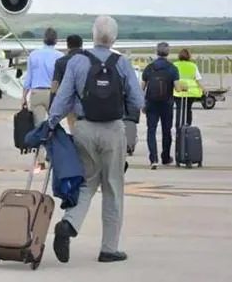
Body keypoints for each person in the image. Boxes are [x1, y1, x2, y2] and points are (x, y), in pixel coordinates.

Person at [45, 15, 143, 264]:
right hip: (112, 130)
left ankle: (68, 224)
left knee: (86, 183)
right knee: (113, 188)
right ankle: (109, 248)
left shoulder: (77, 62)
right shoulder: (121, 63)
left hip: (84, 128)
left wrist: (51, 123)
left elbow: (63, 98)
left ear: (93, 35)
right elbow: (137, 101)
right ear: (114, 38)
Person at [22, 27, 64, 170]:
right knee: (53, 126)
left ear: (43, 39)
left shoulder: (34, 55)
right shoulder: (60, 56)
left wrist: (23, 97)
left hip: (37, 93)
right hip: (53, 94)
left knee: (39, 127)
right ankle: (53, 155)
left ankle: (40, 160)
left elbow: (28, 79)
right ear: (56, 40)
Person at [141, 42, 182, 169]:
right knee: (166, 131)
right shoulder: (172, 68)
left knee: (151, 131)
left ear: (156, 52)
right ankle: (165, 157)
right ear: (168, 52)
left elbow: (142, 88)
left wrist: (142, 104)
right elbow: (177, 88)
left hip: (151, 103)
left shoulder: (149, 68)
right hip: (166, 103)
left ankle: (153, 159)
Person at [50, 34, 83, 133]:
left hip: (69, 101)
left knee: (73, 128)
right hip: (87, 101)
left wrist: (52, 100)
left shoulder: (61, 62)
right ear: (81, 45)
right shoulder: (89, 59)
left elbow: (55, 83)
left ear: (68, 46)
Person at [173, 48, 204, 128]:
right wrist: (203, 89)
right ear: (189, 56)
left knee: (179, 109)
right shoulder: (193, 66)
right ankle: (188, 126)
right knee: (188, 109)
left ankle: (178, 127)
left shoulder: (175, 65)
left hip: (178, 91)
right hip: (191, 92)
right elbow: (198, 79)